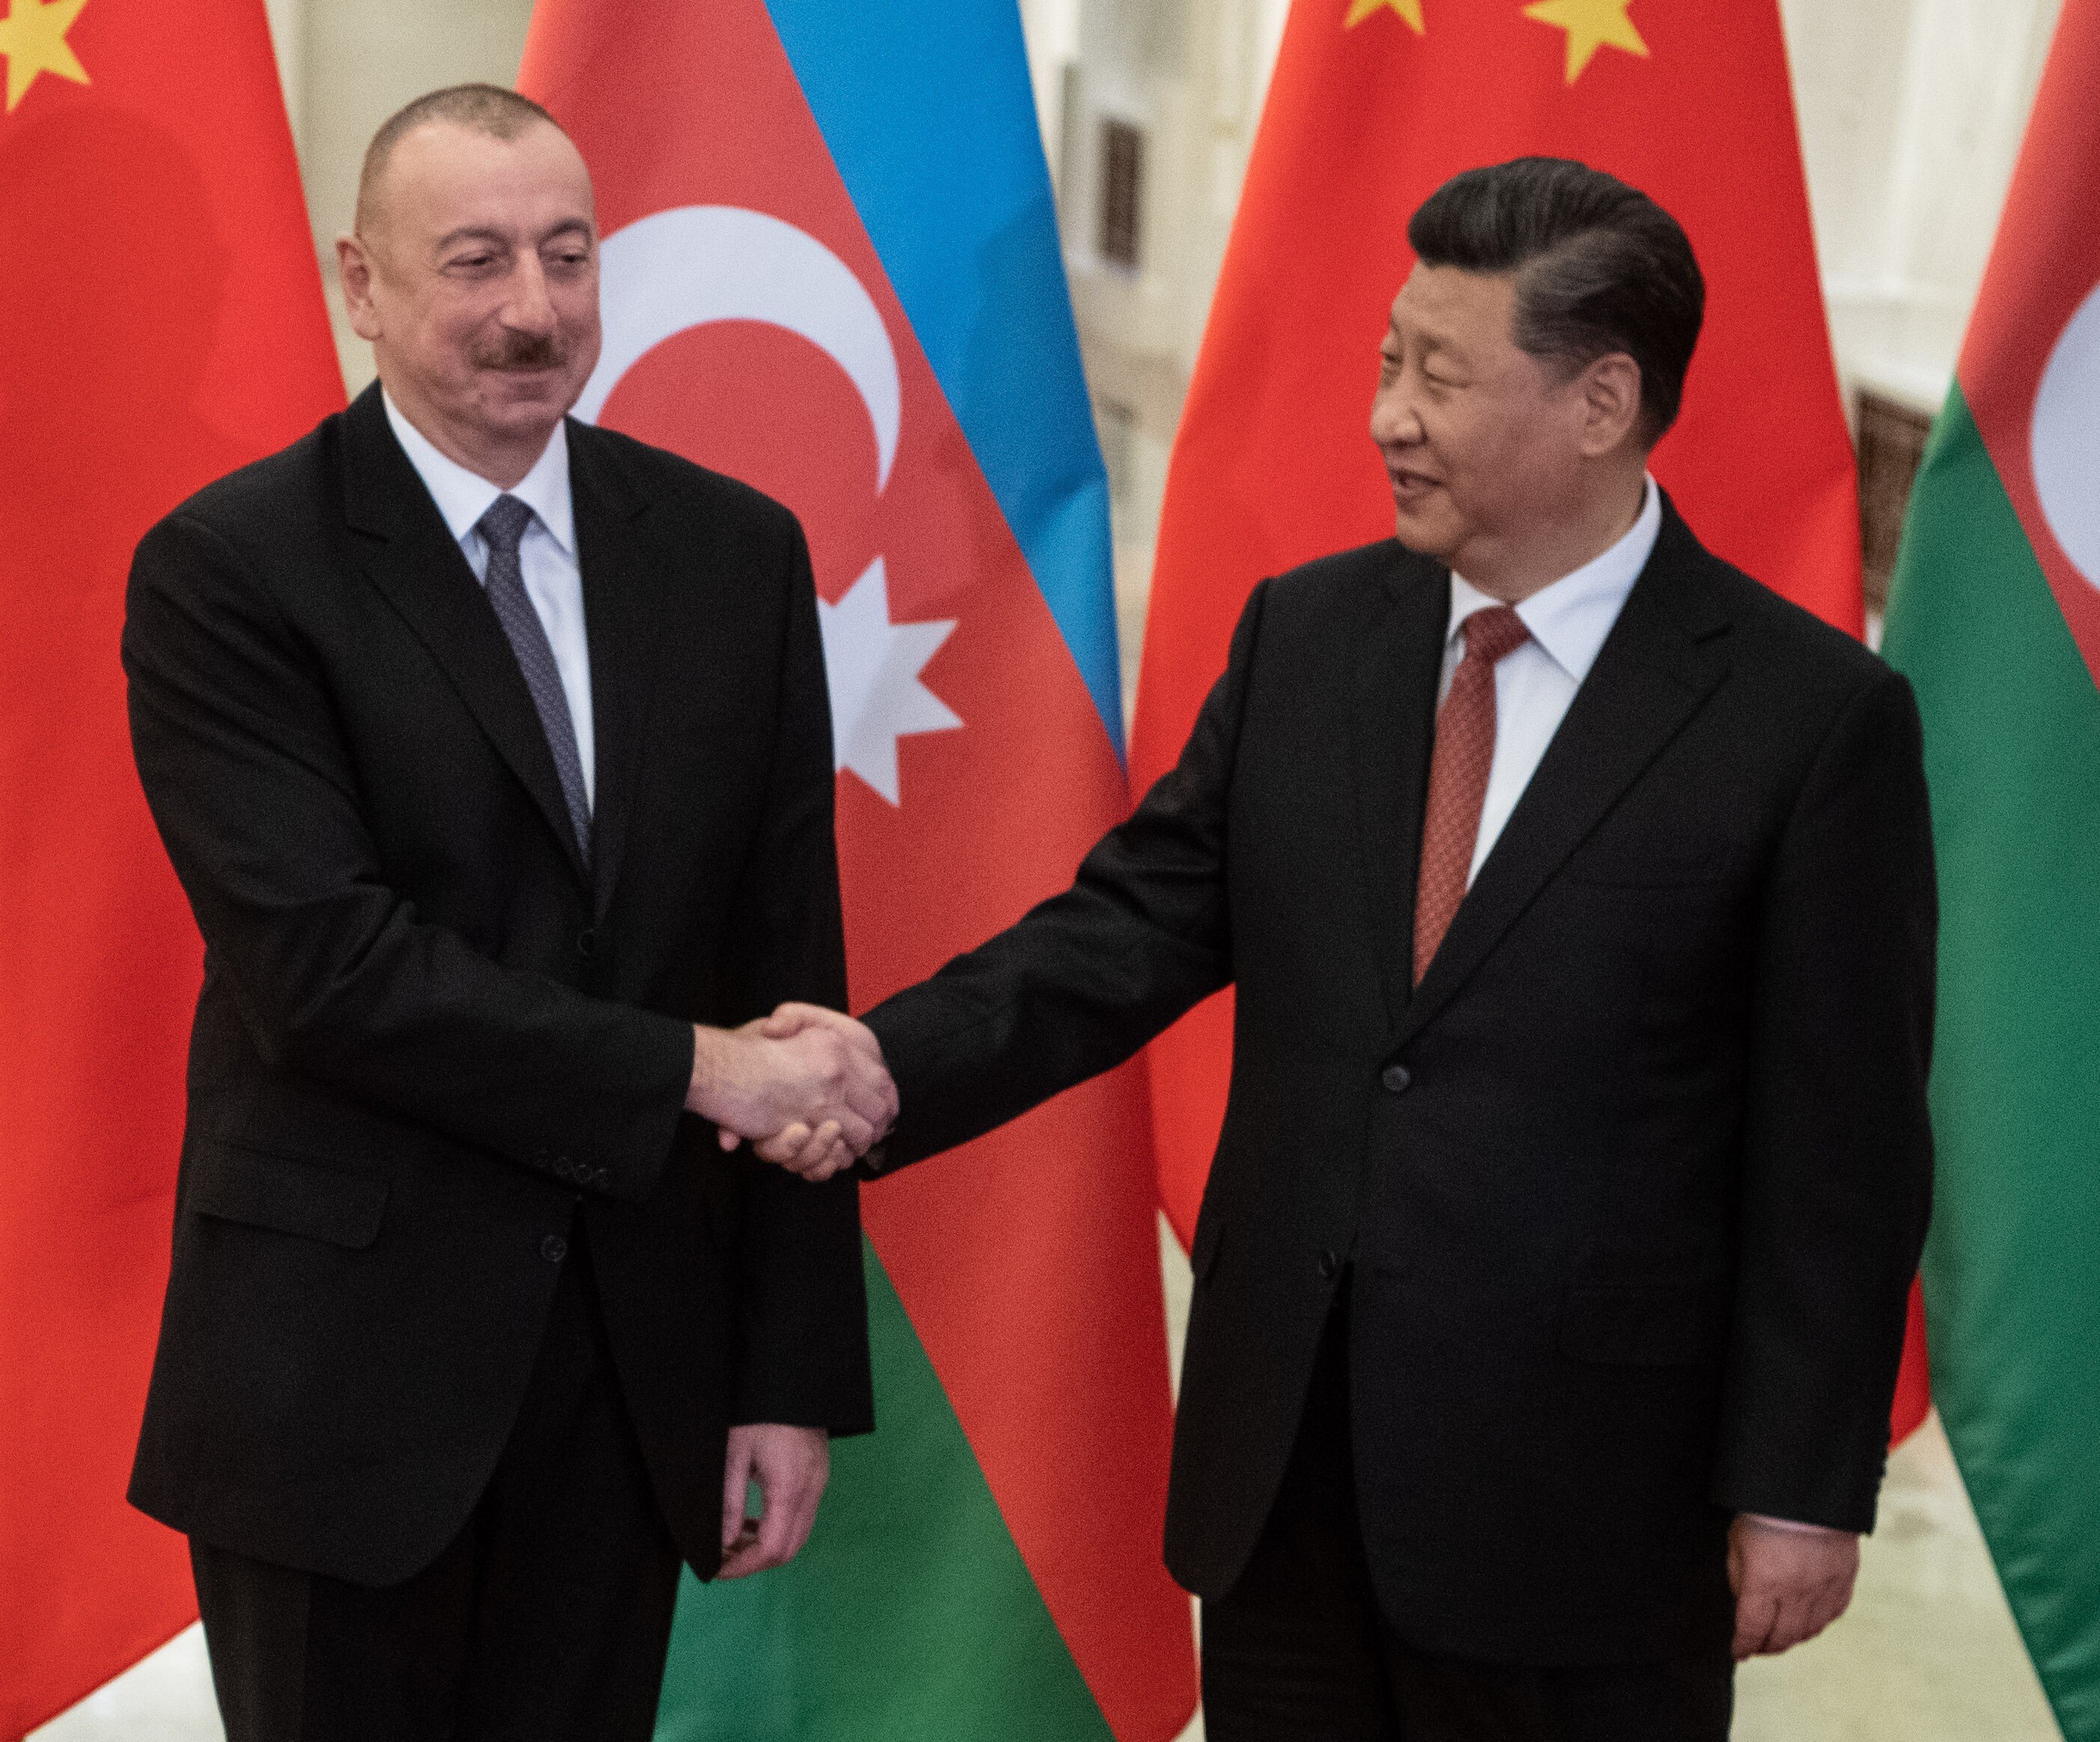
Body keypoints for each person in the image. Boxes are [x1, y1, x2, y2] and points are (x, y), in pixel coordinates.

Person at [757, 158, 1936, 1739]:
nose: (1387, 413)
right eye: (1389, 358)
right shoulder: (1309, 637)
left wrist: (1800, 1483)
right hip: (1285, 1478)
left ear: (1599, 403)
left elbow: (1839, 1150)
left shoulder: (1805, 722)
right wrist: (880, 1062)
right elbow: (1127, 931)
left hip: (1586, 1523)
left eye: (1439, 376)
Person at [119, 84, 891, 1742]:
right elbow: (325, 973)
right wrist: (692, 1070)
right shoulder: (231, 570)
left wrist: (785, 1378)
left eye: (566, 253)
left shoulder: (729, 554)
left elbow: (787, 970)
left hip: (630, 1379)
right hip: (337, 1391)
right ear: (362, 283)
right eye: (473, 261)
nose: (531, 311)